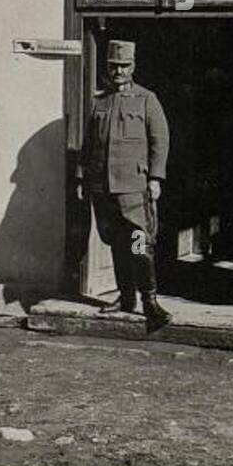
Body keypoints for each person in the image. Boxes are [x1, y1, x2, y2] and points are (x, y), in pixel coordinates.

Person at [77, 39, 172, 330]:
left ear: (134, 67)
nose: (118, 71)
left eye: (124, 66)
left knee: (138, 242)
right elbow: (88, 144)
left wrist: (155, 178)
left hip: (133, 186)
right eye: (113, 66)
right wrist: (83, 178)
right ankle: (126, 296)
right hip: (102, 187)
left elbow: (160, 140)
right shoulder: (99, 102)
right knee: (116, 242)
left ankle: (150, 301)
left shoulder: (147, 99)